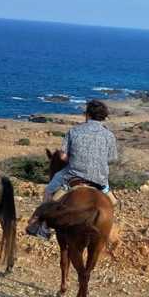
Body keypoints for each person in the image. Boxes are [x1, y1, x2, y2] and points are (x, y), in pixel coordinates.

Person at [26, 99, 118, 240]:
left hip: (73, 175)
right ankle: (109, 227)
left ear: (87, 115)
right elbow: (112, 159)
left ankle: (42, 227)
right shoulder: (109, 135)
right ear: (103, 116)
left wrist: (74, 158)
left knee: (48, 191)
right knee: (113, 202)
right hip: (100, 179)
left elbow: (62, 156)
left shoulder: (74, 131)